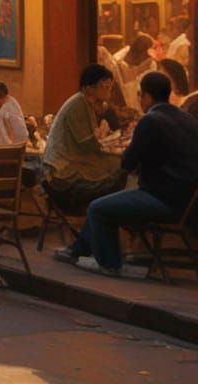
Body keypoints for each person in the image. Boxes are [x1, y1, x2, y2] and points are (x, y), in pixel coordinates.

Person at [55, 71, 198, 276]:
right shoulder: (188, 119)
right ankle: (78, 249)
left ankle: (109, 263)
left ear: (147, 96)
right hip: (187, 202)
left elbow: (128, 162)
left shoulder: (151, 120)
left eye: (141, 95)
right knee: (107, 200)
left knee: (98, 208)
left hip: (162, 199)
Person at [43, 64, 127, 212]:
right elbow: (86, 144)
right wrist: (111, 146)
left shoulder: (87, 104)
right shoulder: (78, 104)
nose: (108, 90)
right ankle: (108, 213)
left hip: (76, 160)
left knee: (119, 164)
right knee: (119, 166)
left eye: (109, 86)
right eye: (104, 86)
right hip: (63, 168)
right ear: (90, 87)